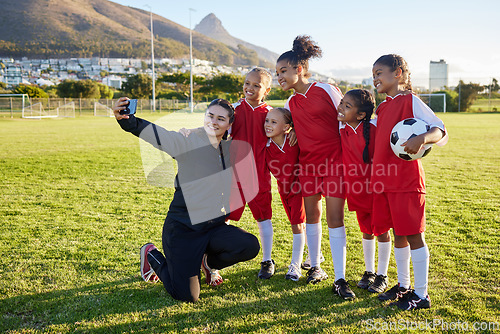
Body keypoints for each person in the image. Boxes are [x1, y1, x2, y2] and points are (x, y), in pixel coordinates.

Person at [112, 97, 260, 303]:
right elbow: (159, 135)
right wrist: (127, 120)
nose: (214, 122)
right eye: (210, 116)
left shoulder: (228, 149)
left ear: (229, 124)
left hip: (212, 229)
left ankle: (208, 263)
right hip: (183, 230)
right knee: (187, 296)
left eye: (221, 118)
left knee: (249, 245)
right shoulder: (187, 141)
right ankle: (151, 255)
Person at [276, 35, 355, 300]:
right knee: (312, 216)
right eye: (277, 73)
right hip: (307, 167)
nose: (280, 77)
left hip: (334, 164)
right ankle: (316, 267)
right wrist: (295, 128)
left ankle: (340, 279)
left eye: (283, 71)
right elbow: (285, 123)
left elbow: (346, 118)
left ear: (299, 69)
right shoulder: (290, 103)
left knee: (335, 219)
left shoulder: (326, 89)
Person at [371, 54, 448, 310]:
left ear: (398, 73)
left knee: (414, 235)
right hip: (385, 181)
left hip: (407, 182)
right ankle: (403, 286)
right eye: (373, 75)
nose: (375, 79)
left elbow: (440, 129)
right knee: (399, 234)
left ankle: (422, 295)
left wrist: (423, 138)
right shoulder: (382, 107)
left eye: (379, 73)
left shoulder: (410, 101)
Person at [337, 89, 392, 294]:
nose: (341, 107)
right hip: (356, 188)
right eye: (341, 103)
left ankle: (382, 274)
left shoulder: (374, 128)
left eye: (347, 106)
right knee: (366, 230)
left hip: (376, 189)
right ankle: (369, 271)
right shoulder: (342, 128)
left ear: (361, 115)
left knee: (382, 230)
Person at [228, 67, 276, 279]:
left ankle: (267, 260)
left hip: (259, 177)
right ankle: (213, 259)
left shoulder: (271, 114)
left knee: (264, 218)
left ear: (266, 91)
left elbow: (282, 136)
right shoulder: (234, 110)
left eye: (256, 85)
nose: (250, 87)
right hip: (234, 177)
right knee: (225, 218)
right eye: (248, 82)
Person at [264, 107, 306, 281]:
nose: (268, 125)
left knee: (297, 225)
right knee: (298, 225)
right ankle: (313, 253)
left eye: (274, 122)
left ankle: (295, 266)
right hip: (284, 190)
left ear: (286, 126)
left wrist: (296, 130)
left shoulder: (294, 140)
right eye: (267, 120)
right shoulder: (266, 146)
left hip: (300, 189)